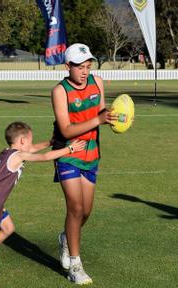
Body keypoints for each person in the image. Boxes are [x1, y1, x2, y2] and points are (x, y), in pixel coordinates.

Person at [0, 121, 86, 280]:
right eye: (30, 141)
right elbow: (44, 156)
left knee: (8, 227)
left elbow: (32, 149)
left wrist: (50, 142)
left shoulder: (7, 151)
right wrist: (70, 149)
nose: (32, 144)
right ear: (23, 141)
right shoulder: (19, 155)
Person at [51, 43, 118, 285]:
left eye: (88, 66)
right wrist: (98, 120)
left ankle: (66, 238)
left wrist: (113, 118)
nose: (85, 71)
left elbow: (101, 112)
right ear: (67, 66)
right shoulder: (60, 91)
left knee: (86, 211)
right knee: (76, 208)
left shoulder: (97, 82)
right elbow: (67, 130)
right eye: (80, 67)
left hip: (92, 154)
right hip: (67, 152)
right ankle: (75, 265)